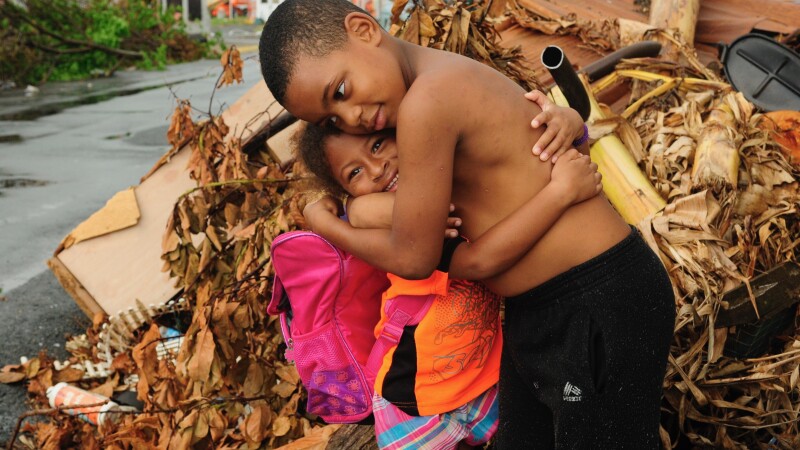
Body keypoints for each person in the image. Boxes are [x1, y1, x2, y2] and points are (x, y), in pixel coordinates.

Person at [259, 1, 676, 448]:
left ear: (363, 29)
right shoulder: (424, 90)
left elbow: (415, 257)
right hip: (540, 312)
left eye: (340, 91)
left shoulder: (427, 103)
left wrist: (329, 226)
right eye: (332, 120)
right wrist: (572, 122)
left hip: (595, 304)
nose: (352, 118)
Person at [294, 123, 602, 450]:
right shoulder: (375, 211)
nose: (377, 168)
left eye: (377, 145)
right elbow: (475, 259)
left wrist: (574, 128)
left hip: (485, 379)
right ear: (346, 191)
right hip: (415, 401)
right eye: (354, 172)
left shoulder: (451, 172)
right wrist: (561, 192)